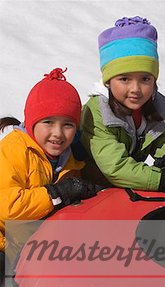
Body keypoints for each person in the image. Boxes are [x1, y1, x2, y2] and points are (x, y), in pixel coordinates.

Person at [80, 16, 165, 220]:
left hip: (120, 194)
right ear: (108, 81)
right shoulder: (97, 112)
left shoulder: (153, 105)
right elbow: (115, 167)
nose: (135, 89)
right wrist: (163, 180)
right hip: (86, 194)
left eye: (145, 79)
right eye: (124, 79)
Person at [0, 68, 100, 265]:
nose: (58, 133)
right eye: (48, 122)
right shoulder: (15, 148)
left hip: (29, 247)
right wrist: (56, 193)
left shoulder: (70, 159)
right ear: (31, 123)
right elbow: (7, 207)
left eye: (68, 125)